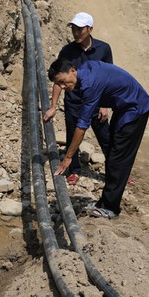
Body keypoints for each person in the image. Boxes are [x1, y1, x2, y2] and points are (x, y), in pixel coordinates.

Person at [47, 58, 149, 219]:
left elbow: (82, 126)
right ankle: (105, 201)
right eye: (59, 84)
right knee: (113, 151)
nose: (63, 87)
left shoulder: (89, 85)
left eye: (63, 81)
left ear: (73, 71)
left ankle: (110, 208)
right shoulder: (85, 72)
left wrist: (68, 157)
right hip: (123, 107)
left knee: (118, 158)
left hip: (135, 109)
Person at [44, 12, 113, 186]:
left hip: (96, 103)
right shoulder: (67, 51)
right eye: (73, 29)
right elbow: (59, 81)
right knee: (72, 135)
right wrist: (53, 106)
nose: (75, 33)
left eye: (79, 29)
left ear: (90, 29)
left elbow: (108, 77)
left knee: (106, 138)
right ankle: (74, 170)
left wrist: (105, 105)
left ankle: (117, 172)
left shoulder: (104, 49)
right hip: (74, 102)